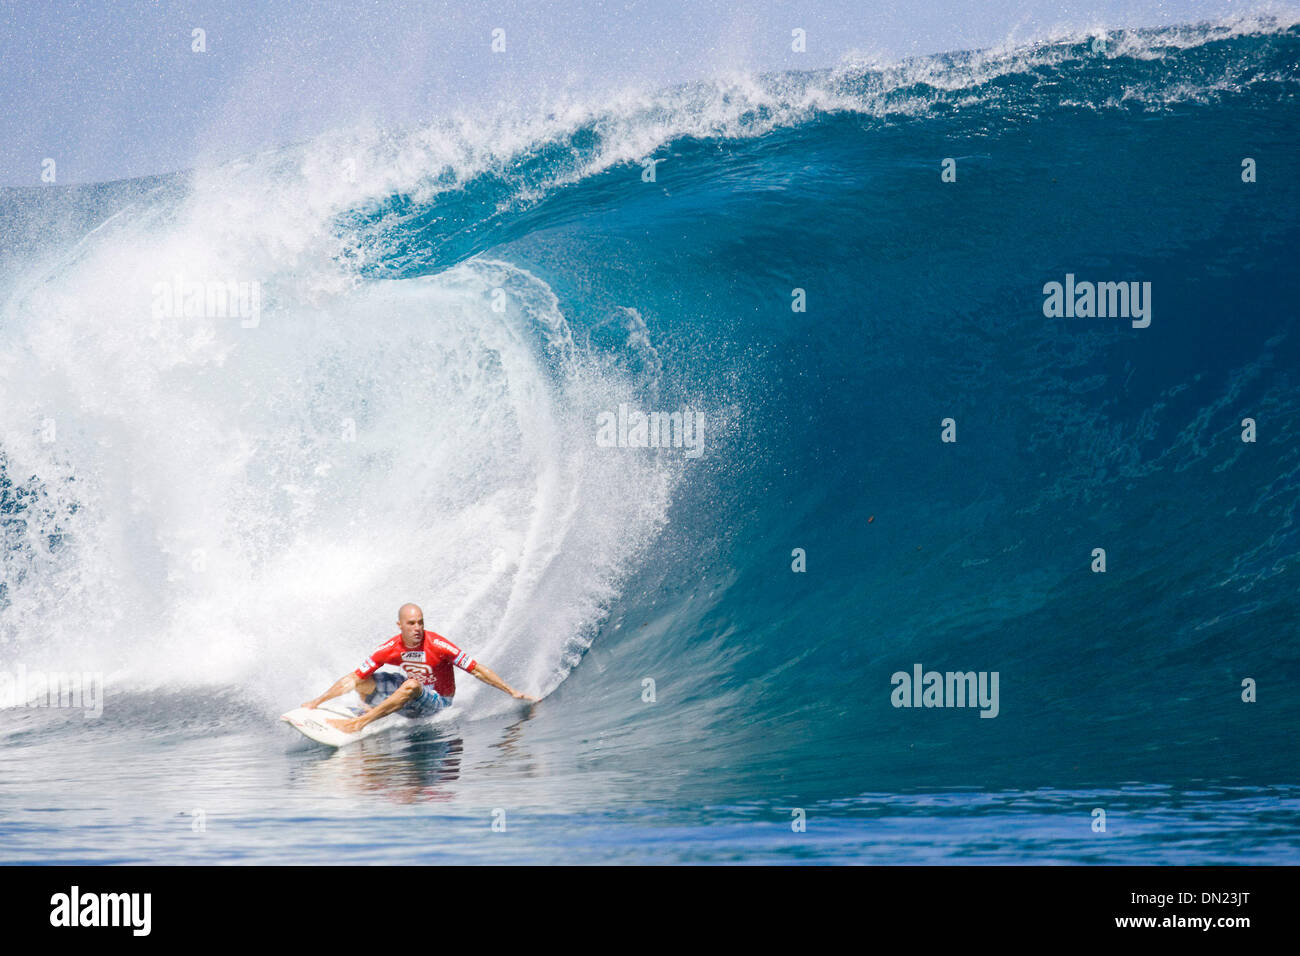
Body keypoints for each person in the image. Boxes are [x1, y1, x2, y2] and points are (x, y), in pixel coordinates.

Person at [302, 603, 537, 734]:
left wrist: (511, 691)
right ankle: (369, 706)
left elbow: (477, 669)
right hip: (411, 695)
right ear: (400, 625)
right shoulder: (391, 647)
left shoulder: (438, 645)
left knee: (411, 685)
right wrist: (317, 702)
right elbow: (353, 677)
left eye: (421, 622)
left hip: (438, 701)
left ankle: (360, 723)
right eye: (411, 623)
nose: (417, 628)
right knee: (362, 680)